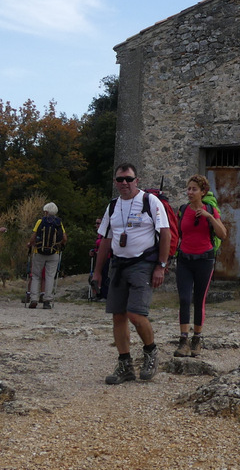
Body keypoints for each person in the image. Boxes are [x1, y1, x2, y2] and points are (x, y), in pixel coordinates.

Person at [92, 164, 171, 384]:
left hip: (143, 264)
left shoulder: (150, 202)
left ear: (137, 180)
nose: (124, 183)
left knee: (136, 314)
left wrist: (161, 266)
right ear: (115, 182)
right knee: (118, 315)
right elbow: (105, 240)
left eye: (128, 179)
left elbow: (165, 234)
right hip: (118, 265)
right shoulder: (113, 206)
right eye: (120, 180)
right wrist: (98, 272)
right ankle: (125, 364)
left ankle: (150, 353)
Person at [173, 174, 227, 358]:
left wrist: (209, 216)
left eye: (194, 189)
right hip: (185, 260)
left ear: (203, 192)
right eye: (188, 189)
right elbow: (176, 234)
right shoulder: (182, 210)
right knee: (184, 298)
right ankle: (183, 341)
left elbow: (223, 234)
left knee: (199, 299)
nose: (190, 192)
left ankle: (197, 339)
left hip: (205, 260)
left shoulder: (210, 209)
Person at [26, 202, 67, 309]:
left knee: (36, 276)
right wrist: (59, 245)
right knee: (50, 277)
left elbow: (34, 236)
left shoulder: (40, 221)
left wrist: (30, 244)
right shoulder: (59, 222)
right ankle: (47, 301)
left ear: (46, 211)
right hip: (54, 253)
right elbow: (64, 238)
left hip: (39, 252)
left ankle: (33, 299)